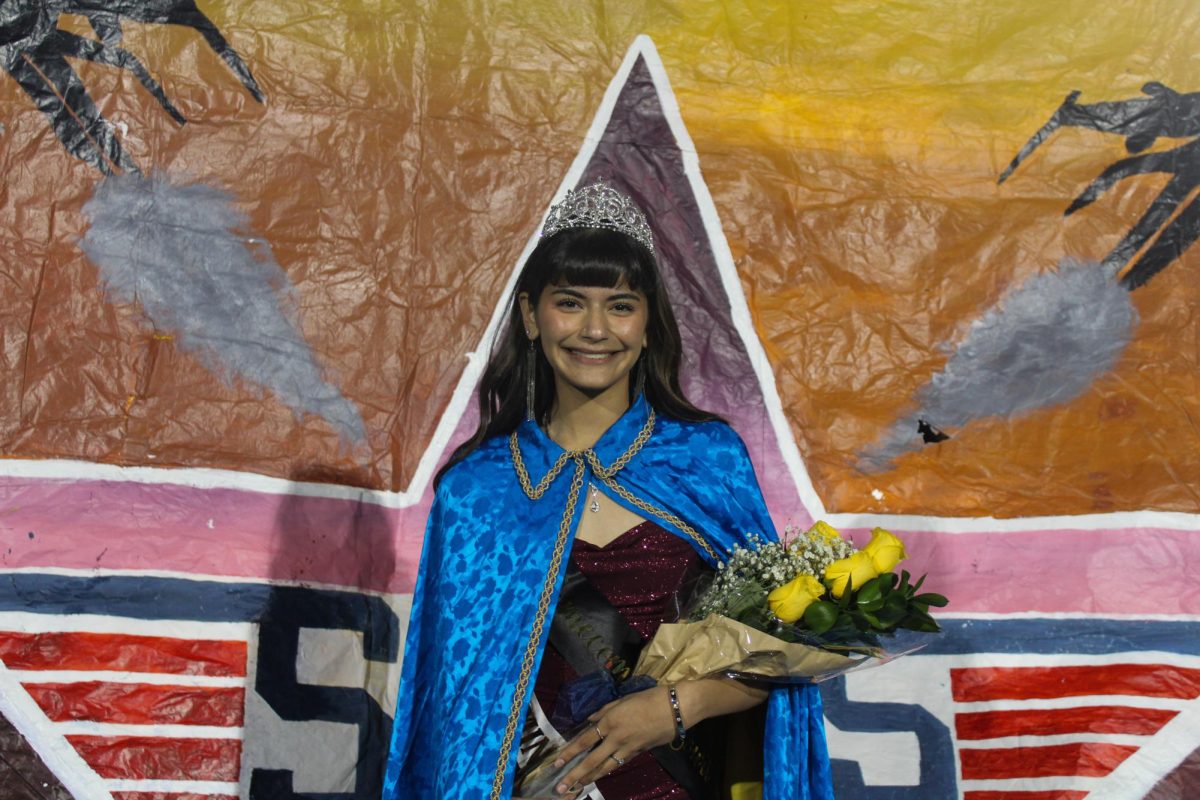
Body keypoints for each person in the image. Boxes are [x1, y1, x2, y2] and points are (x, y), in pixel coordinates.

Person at [383, 180, 834, 800]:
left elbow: (782, 664)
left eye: (620, 305)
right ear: (529, 317)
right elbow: (451, 718)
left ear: (648, 325)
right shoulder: (477, 490)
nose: (595, 329)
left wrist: (678, 706)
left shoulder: (705, 460)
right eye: (570, 302)